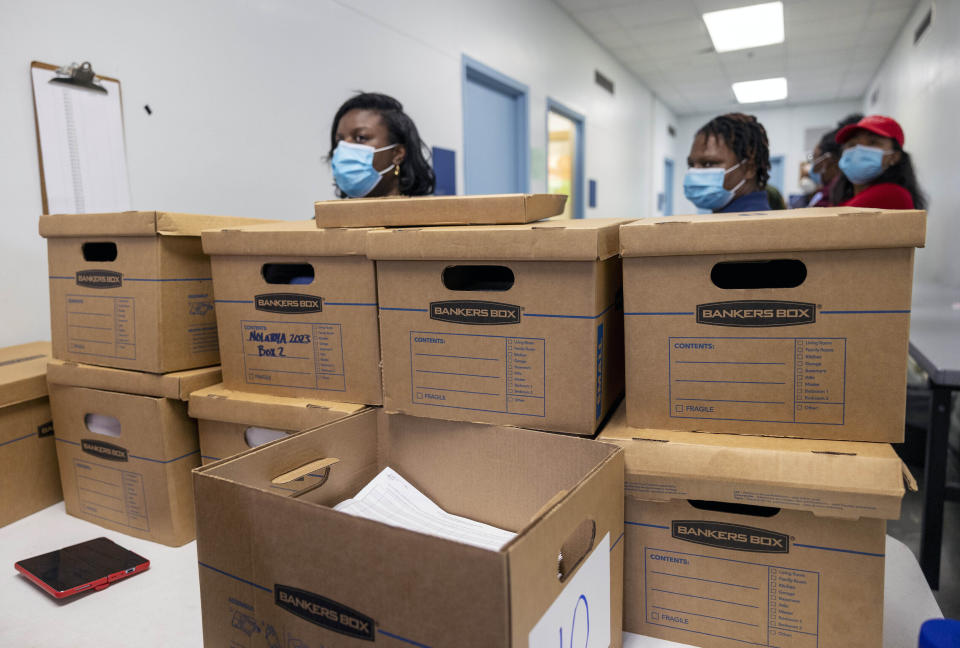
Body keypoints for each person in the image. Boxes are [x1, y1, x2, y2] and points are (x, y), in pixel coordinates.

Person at [328, 92, 435, 198]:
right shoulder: (324, 215)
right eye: (339, 140)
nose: (345, 148)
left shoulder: (432, 214)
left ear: (397, 153)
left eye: (360, 138)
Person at [830, 114, 926, 210]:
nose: (858, 150)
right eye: (852, 144)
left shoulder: (891, 194)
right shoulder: (847, 196)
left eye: (873, 142)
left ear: (894, 157)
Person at [683, 113, 772, 213]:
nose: (694, 174)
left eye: (708, 164)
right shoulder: (725, 218)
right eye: (691, 165)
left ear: (749, 168)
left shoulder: (750, 224)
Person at [807, 113, 863, 207]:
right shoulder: (834, 190)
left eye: (815, 158)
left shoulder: (839, 190)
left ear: (829, 160)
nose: (813, 167)